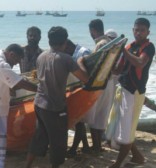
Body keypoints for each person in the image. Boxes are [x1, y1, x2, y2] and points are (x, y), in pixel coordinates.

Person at [25, 26, 89, 168]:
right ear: (65, 41)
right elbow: (85, 79)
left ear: (49, 41)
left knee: (39, 136)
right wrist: (80, 62)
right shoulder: (66, 59)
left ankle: (27, 165)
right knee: (58, 142)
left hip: (39, 104)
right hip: (55, 107)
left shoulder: (41, 57)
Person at [106, 18, 155, 168]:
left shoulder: (149, 47)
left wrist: (123, 51)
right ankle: (138, 157)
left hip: (134, 93)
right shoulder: (129, 46)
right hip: (122, 89)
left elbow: (140, 62)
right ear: (133, 30)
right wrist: (106, 61)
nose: (139, 33)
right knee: (118, 127)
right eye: (136, 30)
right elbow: (119, 69)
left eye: (142, 30)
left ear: (148, 32)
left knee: (126, 130)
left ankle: (118, 164)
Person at [85, 19, 114, 153]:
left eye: (91, 32)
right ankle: (98, 146)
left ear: (93, 31)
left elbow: (95, 67)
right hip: (109, 82)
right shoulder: (110, 42)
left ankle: (96, 146)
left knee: (93, 116)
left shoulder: (100, 44)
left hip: (100, 84)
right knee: (101, 116)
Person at [64, 39, 92, 157]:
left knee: (79, 122)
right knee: (79, 120)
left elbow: (88, 73)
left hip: (82, 91)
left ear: (67, 46)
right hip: (75, 91)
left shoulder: (83, 52)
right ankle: (85, 145)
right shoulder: (74, 53)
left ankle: (73, 149)